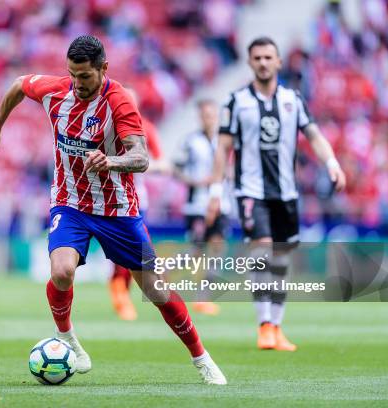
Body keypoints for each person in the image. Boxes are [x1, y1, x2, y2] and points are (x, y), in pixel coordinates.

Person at [0, 35, 227, 385]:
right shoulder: (55, 91)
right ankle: (66, 338)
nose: (77, 84)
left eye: (85, 76)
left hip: (117, 210)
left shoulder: (120, 102)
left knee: (155, 290)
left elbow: (141, 157)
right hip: (69, 203)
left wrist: (110, 161)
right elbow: (19, 85)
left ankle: (201, 357)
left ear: (103, 69)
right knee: (62, 271)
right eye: (72, 75)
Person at [206, 37, 346, 351]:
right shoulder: (237, 101)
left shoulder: (292, 100)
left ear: (279, 62)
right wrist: (216, 191)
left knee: (281, 261)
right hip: (251, 191)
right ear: (250, 62)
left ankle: (277, 326)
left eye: (269, 57)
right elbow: (223, 149)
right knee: (262, 252)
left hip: (286, 192)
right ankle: (264, 324)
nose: (263, 63)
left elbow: (314, 135)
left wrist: (332, 163)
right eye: (257, 58)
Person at [109, 87, 166, 321]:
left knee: (137, 250)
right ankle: (119, 290)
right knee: (125, 251)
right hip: (105, 196)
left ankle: (121, 292)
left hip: (135, 199)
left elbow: (162, 163)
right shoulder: (106, 127)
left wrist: (137, 163)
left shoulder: (146, 129)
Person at [174, 99, 231, 316]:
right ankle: (164, 271)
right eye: (205, 115)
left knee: (217, 247)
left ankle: (203, 297)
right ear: (200, 117)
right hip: (197, 205)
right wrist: (196, 181)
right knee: (197, 251)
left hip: (220, 203)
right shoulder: (190, 142)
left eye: (212, 114)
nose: (209, 119)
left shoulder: (224, 141)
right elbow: (176, 168)